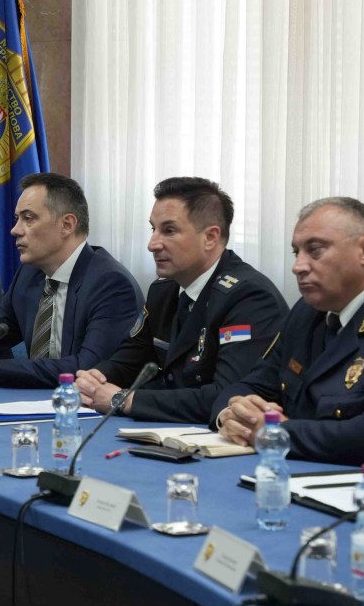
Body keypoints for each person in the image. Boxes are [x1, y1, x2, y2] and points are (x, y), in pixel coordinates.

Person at [213, 197, 364, 469]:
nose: (298, 266)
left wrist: (277, 434)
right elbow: (251, 385)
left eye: (315, 250)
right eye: (296, 252)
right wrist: (232, 414)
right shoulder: (308, 312)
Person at [74, 177, 287, 423]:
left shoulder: (249, 297)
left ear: (210, 237)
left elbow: (228, 398)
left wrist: (125, 400)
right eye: (153, 229)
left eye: (169, 231)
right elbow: (131, 360)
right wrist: (95, 378)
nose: (152, 244)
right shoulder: (163, 291)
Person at [0, 173, 142, 386]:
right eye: (17, 219)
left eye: (28, 218)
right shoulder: (30, 274)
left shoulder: (110, 284)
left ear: (67, 225)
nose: (15, 230)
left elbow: (88, 369)